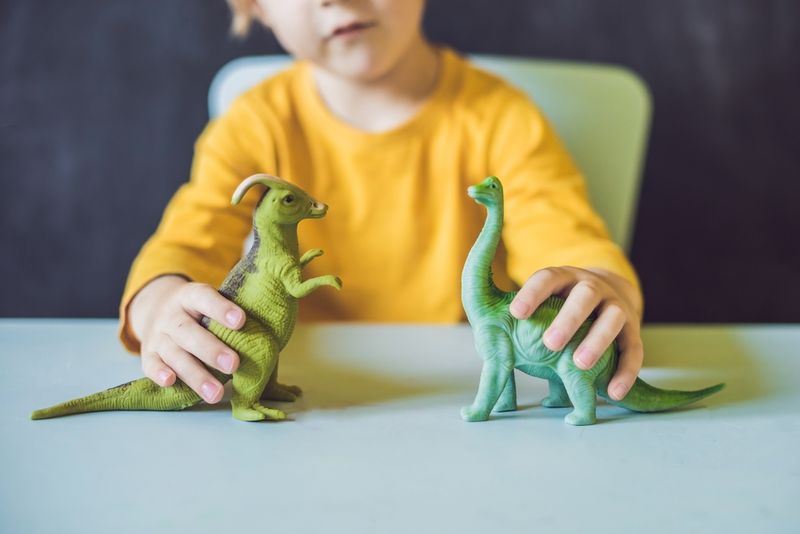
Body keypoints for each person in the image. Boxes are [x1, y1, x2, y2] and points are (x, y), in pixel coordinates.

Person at [120, 0, 644, 407]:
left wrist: (604, 287)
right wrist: (160, 302)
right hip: (304, 400)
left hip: (455, 397)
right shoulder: (252, 125)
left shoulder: (503, 119)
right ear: (255, 7)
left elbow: (567, 238)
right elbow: (188, 240)